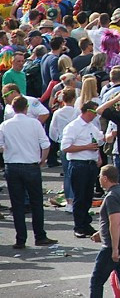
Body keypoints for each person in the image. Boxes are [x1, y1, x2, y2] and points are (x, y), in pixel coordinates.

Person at [0, 95, 57, 249]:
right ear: (26, 108)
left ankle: (20, 239)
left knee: (17, 204)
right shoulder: (34, 124)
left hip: (12, 166)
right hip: (31, 165)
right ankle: (40, 236)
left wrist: (9, 150)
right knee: (36, 202)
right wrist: (42, 160)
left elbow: (0, 146)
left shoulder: (5, 125)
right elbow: (46, 144)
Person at [87, 165, 120, 298]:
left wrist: (114, 249)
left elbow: (115, 223)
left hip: (113, 246)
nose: (98, 179)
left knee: (96, 281)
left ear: (105, 178)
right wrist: (100, 233)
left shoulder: (111, 197)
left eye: (100, 177)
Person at [61, 100, 104, 238]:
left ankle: (86, 223)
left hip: (90, 164)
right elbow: (65, 147)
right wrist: (85, 147)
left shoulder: (91, 127)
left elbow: (97, 141)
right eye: (93, 113)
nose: (94, 116)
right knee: (79, 196)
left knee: (87, 196)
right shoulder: (73, 127)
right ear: (85, 111)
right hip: (78, 164)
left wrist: (97, 155)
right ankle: (78, 226)